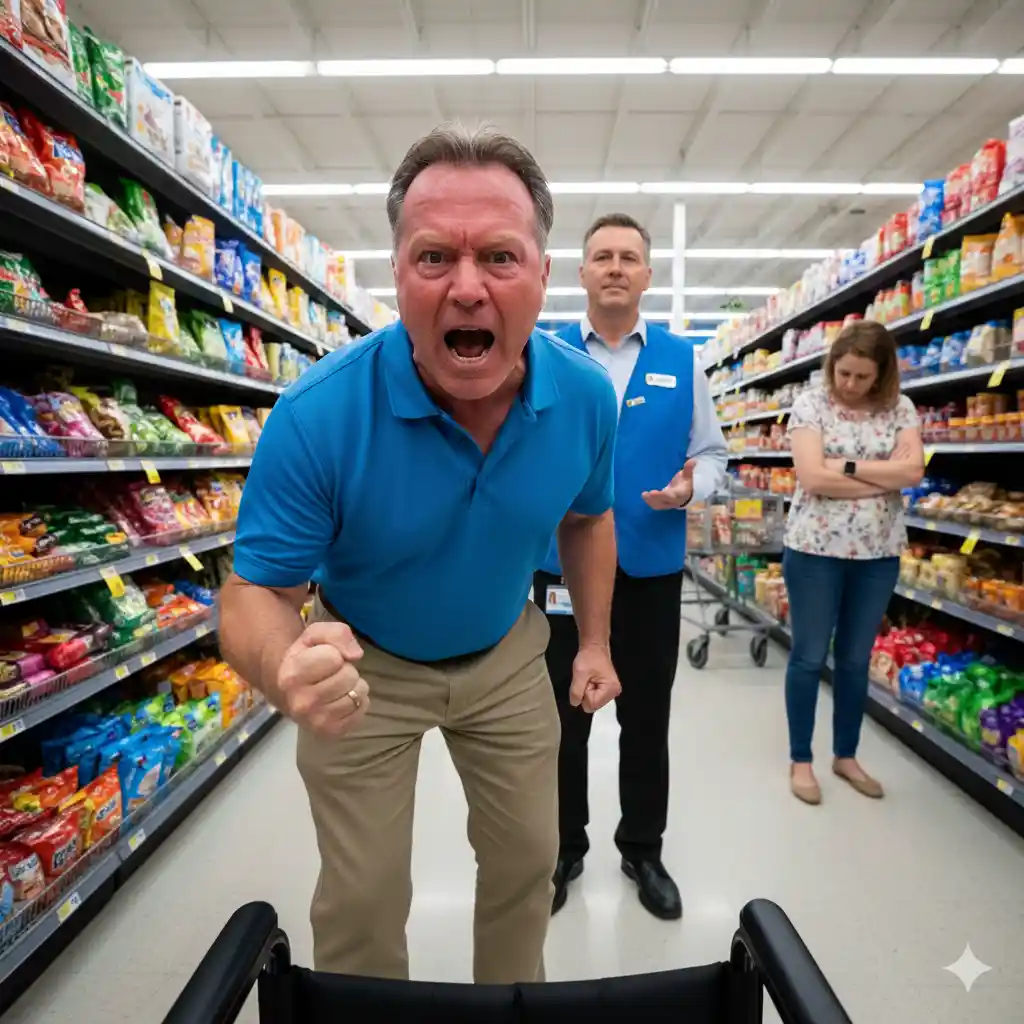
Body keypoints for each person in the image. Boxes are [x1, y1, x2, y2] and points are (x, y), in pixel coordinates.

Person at [219, 122, 623, 985]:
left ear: (544, 276)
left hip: (508, 656)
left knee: (528, 865)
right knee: (361, 900)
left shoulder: (586, 400)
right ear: (397, 274)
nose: (468, 289)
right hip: (364, 664)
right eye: (435, 257)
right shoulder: (319, 416)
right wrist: (284, 663)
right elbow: (254, 592)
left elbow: (588, 519)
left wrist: (592, 643)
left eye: (501, 259)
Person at [532, 213, 728, 920]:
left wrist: (690, 488)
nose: (615, 267)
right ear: (580, 273)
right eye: (602, 256)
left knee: (647, 717)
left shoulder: (685, 359)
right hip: (558, 574)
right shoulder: (543, 353)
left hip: (648, 568)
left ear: (648, 275)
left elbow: (712, 454)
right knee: (561, 719)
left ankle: (642, 847)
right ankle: (563, 847)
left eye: (630, 257)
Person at [784, 319, 923, 805]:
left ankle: (846, 755)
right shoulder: (810, 405)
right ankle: (801, 760)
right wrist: (882, 477)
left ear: (881, 375)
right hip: (813, 553)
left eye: (862, 377)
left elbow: (914, 471)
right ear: (832, 365)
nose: (849, 384)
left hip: (878, 553)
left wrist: (842, 465)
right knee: (807, 656)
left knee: (855, 659)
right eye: (843, 373)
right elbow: (812, 478)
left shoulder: (900, 408)